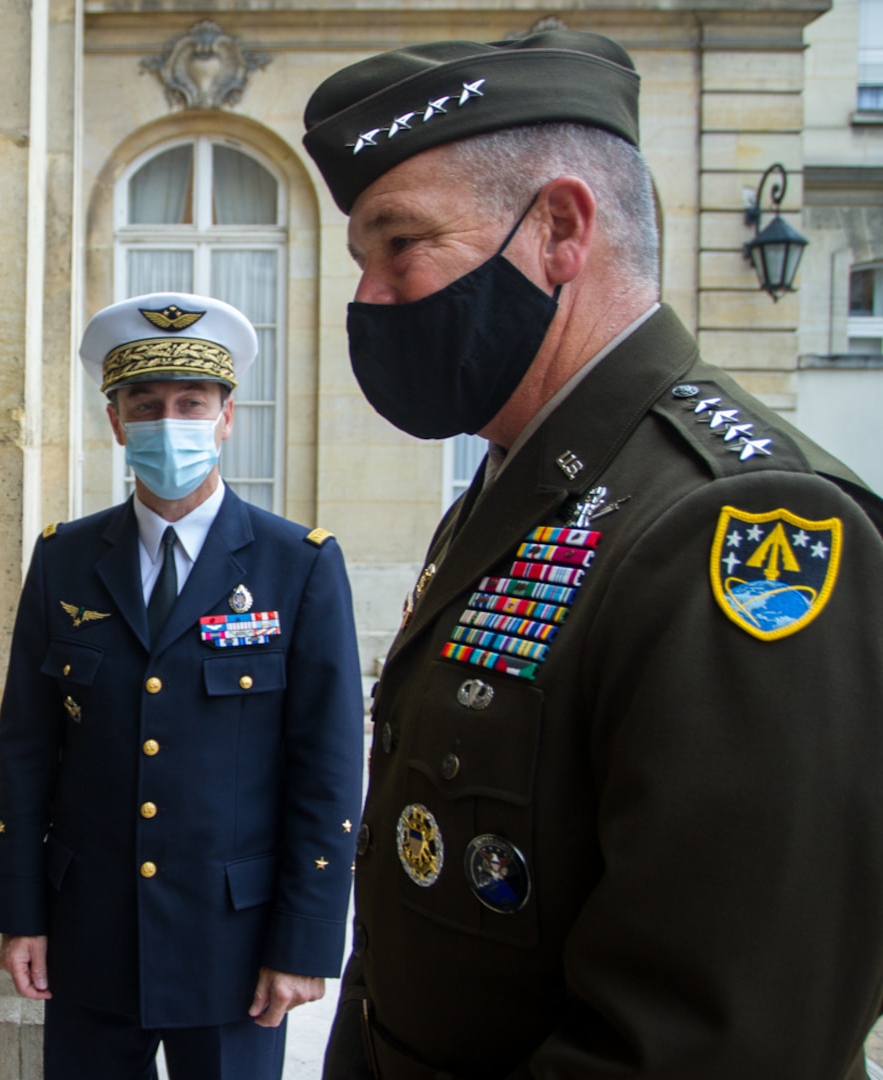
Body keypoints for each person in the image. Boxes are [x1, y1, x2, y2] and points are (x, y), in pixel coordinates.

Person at [301, 30, 883, 1079]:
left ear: (560, 228)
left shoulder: (744, 526)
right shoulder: (526, 483)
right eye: (362, 260)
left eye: (401, 244)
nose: (370, 298)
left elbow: (712, 1041)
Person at [0, 292, 365, 1079]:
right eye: (146, 405)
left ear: (227, 418)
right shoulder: (65, 558)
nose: (170, 423)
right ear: (117, 423)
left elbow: (327, 774)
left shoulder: (298, 566)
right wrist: (21, 916)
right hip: (90, 939)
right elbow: (27, 751)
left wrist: (305, 940)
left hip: (235, 946)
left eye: (191, 404)